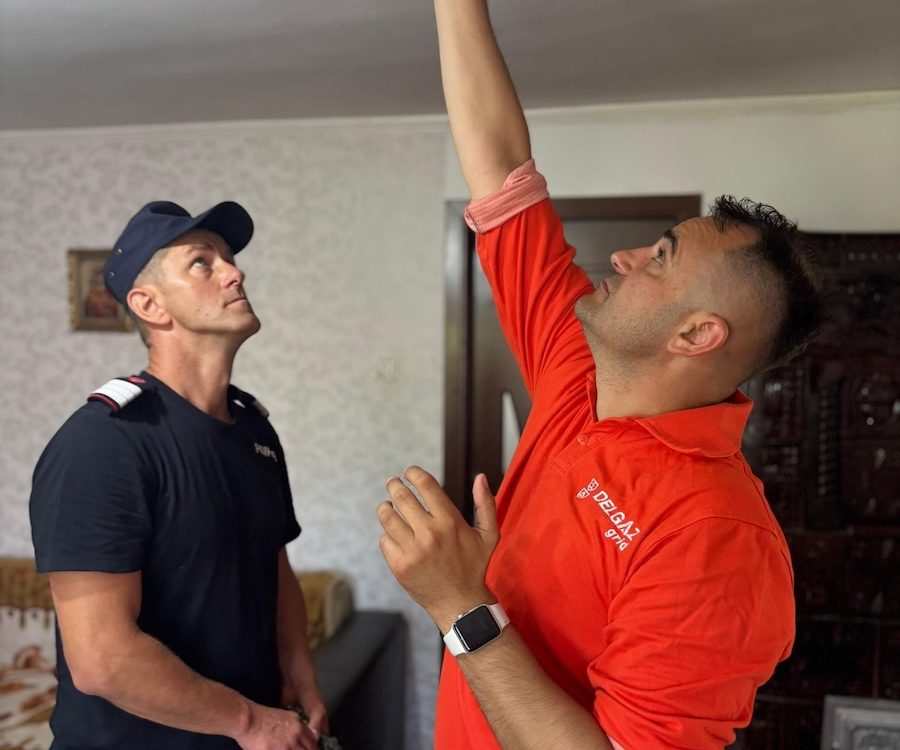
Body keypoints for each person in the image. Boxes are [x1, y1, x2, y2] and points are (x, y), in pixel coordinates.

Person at [376, 1, 824, 749]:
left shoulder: (718, 536)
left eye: (659, 259)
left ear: (696, 334)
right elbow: (501, 171)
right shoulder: (576, 366)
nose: (623, 258)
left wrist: (460, 608)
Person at [30, 200, 327, 750]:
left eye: (229, 258)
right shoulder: (103, 442)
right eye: (202, 262)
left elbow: (274, 564)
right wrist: (250, 722)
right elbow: (101, 659)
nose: (234, 273)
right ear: (150, 305)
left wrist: (299, 672)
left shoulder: (254, 430)